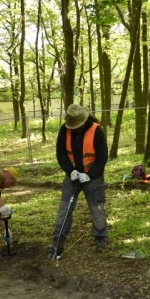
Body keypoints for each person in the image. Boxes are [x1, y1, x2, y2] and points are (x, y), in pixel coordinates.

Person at [47, 103, 108, 259]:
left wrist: (90, 174)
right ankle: (57, 242)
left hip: (92, 176)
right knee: (64, 209)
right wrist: (71, 171)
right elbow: (60, 153)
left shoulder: (96, 130)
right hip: (72, 175)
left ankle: (101, 240)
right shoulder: (64, 130)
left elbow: (102, 158)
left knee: (97, 208)